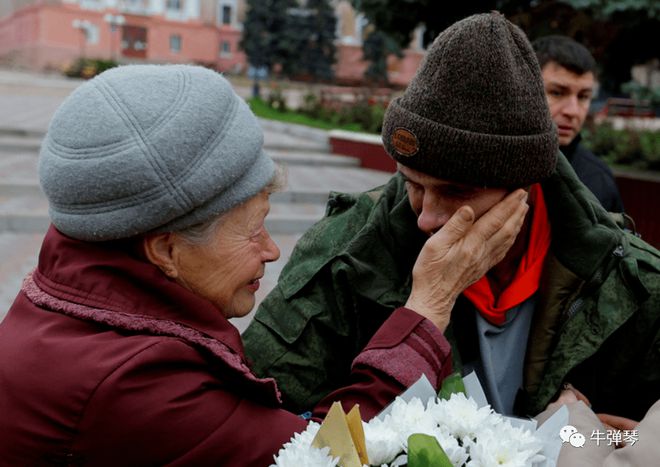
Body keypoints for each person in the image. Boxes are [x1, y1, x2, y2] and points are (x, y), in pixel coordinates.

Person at [0, 64, 528, 465]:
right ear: (165, 250)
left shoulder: (70, 294)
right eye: (252, 229)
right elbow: (320, 458)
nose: (273, 251)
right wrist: (428, 305)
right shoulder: (133, 384)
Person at [243, 12, 660, 425]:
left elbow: (627, 445)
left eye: (457, 191)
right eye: (413, 183)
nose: (426, 217)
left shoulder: (628, 280)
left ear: (525, 185)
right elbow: (263, 430)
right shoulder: (345, 253)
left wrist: (582, 438)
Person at [533, 35, 624, 212]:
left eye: (583, 96)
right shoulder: (492, 165)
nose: (573, 111)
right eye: (557, 93)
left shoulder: (598, 180)